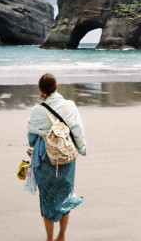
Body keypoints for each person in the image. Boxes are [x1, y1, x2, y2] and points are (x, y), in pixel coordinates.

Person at [27, 73, 87, 241]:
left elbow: (31, 140)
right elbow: (78, 130)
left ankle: (49, 238)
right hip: (66, 158)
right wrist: (82, 148)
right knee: (65, 196)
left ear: (41, 89)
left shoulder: (36, 111)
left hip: (44, 159)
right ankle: (62, 236)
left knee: (47, 200)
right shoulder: (69, 106)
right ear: (57, 86)